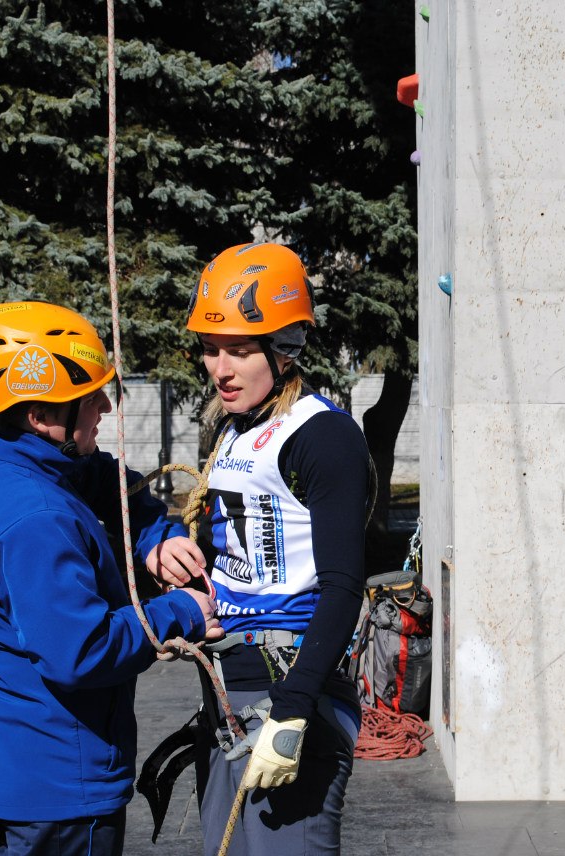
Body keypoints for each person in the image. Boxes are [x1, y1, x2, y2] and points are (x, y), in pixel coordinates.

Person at [0, 300, 223, 856]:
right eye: (91, 399)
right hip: (57, 793)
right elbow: (81, 650)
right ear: (43, 416)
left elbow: (105, 481)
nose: (105, 408)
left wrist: (154, 539)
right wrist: (182, 610)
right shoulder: (37, 520)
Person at [176, 242, 372, 855]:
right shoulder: (234, 427)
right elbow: (234, 549)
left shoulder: (322, 436)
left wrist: (292, 711)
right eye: (211, 350)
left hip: (293, 692)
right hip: (228, 687)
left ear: (286, 348)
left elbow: (344, 586)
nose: (220, 369)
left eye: (238, 350)